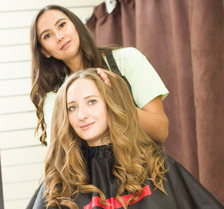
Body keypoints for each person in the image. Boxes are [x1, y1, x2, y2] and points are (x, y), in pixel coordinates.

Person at [9, 69, 224, 209]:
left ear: (112, 104)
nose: (82, 115)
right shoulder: (59, 186)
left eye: (92, 102)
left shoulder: (157, 167)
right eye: (72, 107)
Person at [30, 5, 169, 146]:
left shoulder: (128, 60)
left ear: (76, 25)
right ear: (44, 51)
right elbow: (58, 154)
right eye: (47, 35)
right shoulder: (54, 96)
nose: (59, 37)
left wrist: (118, 104)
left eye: (62, 25)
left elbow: (161, 131)